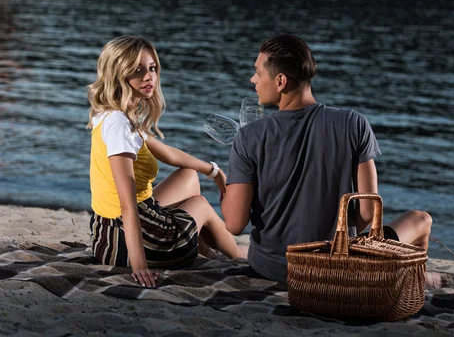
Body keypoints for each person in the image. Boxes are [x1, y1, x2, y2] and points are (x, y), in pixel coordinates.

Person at [221, 34, 433, 283]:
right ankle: (416, 285)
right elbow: (368, 210)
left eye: (257, 72)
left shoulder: (248, 137)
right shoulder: (354, 124)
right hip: (335, 268)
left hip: (273, 269)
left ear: (280, 81)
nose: (252, 79)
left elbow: (235, 225)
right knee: (420, 219)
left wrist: (226, 188)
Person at [87, 35, 244, 288]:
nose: (149, 77)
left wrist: (214, 172)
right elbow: (127, 204)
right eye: (137, 70)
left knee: (188, 175)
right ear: (119, 74)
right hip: (126, 244)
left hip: (107, 234)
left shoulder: (112, 114)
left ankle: (209, 253)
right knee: (201, 204)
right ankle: (237, 255)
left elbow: (168, 153)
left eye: (152, 68)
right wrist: (140, 267)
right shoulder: (119, 125)